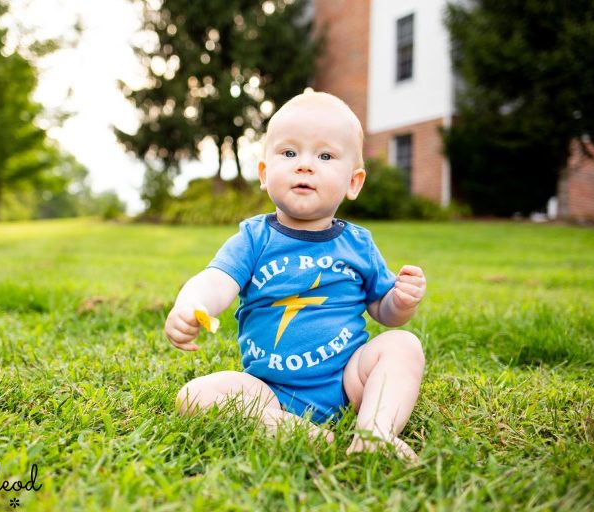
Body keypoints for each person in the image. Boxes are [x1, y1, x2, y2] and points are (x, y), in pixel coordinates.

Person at [164, 91, 426, 461]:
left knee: (403, 346)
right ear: (264, 174)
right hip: (268, 388)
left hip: (348, 381)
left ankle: (376, 433)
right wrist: (192, 303)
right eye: (289, 153)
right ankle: (300, 433)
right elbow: (216, 279)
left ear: (353, 182)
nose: (305, 165)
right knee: (195, 397)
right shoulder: (254, 238)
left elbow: (383, 311)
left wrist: (400, 301)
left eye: (325, 156)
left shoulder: (358, 244)